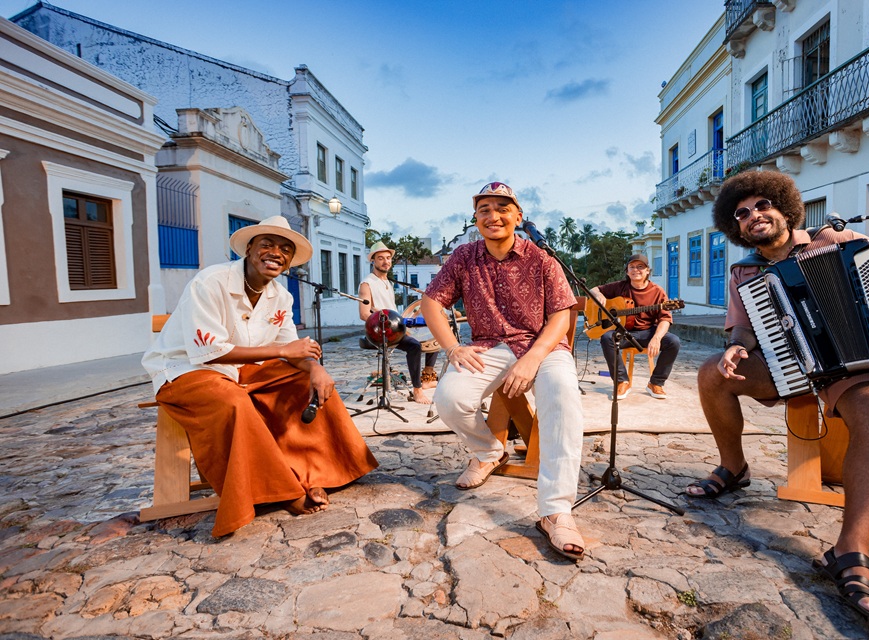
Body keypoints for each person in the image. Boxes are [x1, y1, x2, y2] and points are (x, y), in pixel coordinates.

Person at [686, 170, 869, 627]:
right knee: (711, 373)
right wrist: (737, 346)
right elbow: (743, 327)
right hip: (788, 366)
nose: (754, 216)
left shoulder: (837, 237)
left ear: (783, 207)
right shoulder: (745, 272)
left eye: (761, 206)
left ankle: (851, 553)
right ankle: (733, 468)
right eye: (742, 213)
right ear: (735, 228)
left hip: (858, 364)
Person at [142, 215, 378, 537]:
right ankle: (284, 491)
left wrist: (317, 369)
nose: (275, 252)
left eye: (285, 249)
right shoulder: (210, 282)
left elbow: (292, 349)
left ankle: (314, 473)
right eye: (267, 244)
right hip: (185, 369)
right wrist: (284, 353)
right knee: (235, 403)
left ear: (290, 261)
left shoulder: (281, 296)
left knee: (307, 384)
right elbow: (211, 352)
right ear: (250, 249)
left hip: (239, 371)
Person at [419, 181, 587, 561]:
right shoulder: (464, 256)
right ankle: (488, 451)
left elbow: (562, 314)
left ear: (518, 216)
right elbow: (431, 303)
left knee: (562, 395)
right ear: (475, 219)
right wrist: (452, 348)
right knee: (448, 397)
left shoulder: (543, 258)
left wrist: (533, 357)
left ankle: (556, 511)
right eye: (484, 210)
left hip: (541, 344)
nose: (493, 216)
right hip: (488, 345)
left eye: (502, 208)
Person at [589, 253, 680, 399]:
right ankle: (621, 381)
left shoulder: (657, 291)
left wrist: (656, 337)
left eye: (640, 267)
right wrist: (598, 295)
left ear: (647, 271)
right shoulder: (620, 287)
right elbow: (593, 289)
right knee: (607, 337)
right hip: (623, 333)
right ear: (627, 271)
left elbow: (665, 319)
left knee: (673, 342)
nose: (636, 270)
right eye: (632, 267)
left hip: (647, 332)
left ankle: (656, 383)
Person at [359, 241, 438, 404]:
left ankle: (427, 377)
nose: (385, 261)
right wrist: (387, 323)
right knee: (414, 345)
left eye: (388, 258)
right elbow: (364, 313)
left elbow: (392, 312)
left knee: (434, 334)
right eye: (380, 258)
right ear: (373, 260)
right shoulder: (367, 284)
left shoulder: (387, 282)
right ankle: (417, 390)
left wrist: (409, 319)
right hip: (380, 332)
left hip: (396, 328)